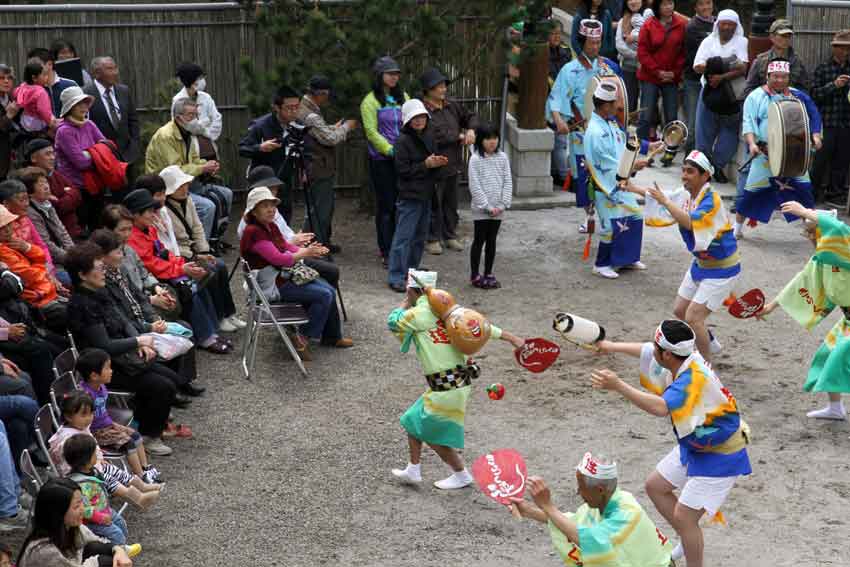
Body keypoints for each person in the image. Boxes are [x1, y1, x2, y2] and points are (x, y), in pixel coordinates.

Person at [592, 320, 752, 567]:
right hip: (699, 444)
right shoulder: (685, 355)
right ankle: (688, 538)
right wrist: (610, 346)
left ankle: (691, 550)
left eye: (658, 347)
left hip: (721, 455)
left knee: (685, 518)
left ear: (667, 354)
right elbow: (648, 350)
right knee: (655, 486)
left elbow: (660, 408)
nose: (653, 350)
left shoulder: (691, 379)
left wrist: (618, 385)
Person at [389, 270, 524, 489]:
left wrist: (404, 304)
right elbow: (484, 327)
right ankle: (413, 469)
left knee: (431, 435)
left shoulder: (419, 314)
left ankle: (461, 475)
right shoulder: (451, 312)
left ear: (413, 291)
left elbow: (393, 322)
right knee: (412, 420)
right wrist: (513, 339)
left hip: (446, 386)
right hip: (456, 382)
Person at [64, 242, 186, 456]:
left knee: (172, 378)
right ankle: (150, 435)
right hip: (103, 368)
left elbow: (122, 320)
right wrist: (138, 342)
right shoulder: (83, 304)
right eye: (99, 268)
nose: (104, 271)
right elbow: (104, 346)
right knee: (162, 386)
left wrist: (138, 339)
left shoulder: (100, 291)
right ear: (83, 275)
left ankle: (144, 418)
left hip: (123, 356)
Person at [626, 150, 737, 362]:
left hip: (722, 268)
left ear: (705, 176)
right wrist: (632, 188)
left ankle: (705, 367)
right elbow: (663, 196)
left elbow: (691, 222)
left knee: (693, 318)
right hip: (701, 263)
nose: (685, 175)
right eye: (683, 170)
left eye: (691, 172)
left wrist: (665, 202)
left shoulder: (711, 200)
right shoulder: (688, 193)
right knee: (680, 310)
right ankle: (710, 341)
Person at [757, 202, 850, 421]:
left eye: (812, 231)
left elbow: (839, 229)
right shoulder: (821, 259)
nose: (808, 237)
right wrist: (770, 306)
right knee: (827, 356)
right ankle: (835, 408)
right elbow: (801, 281)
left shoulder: (845, 248)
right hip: (848, 319)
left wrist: (806, 212)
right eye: (806, 232)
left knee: (839, 357)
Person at [239, 186, 352, 359]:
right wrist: (305, 253)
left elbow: (286, 247)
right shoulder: (253, 232)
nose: (271, 209)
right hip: (271, 287)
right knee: (324, 294)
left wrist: (309, 248)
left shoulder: (269, 226)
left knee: (328, 288)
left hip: (281, 278)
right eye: (264, 206)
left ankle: (330, 337)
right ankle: (302, 338)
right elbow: (279, 259)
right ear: (253, 211)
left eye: (272, 205)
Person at [510, 454, 673, 566]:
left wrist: (547, 505)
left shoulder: (627, 511)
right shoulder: (605, 503)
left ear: (600, 489)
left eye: (581, 487)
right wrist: (529, 511)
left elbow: (585, 538)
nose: (578, 492)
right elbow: (571, 522)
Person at [124, 187, 229, 353]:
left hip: (167, 270)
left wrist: (182, 264)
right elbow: (152, 265)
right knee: (188, 289)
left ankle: (212, 330)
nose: (153, 214)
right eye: (149, 211)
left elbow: (164, 253)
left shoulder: (149, 228)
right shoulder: (132, 237)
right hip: (154, 278)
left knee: (204, 278)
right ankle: (205, 337)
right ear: (135, 214)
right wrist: (181, 269)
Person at [547, 19, 621, 232]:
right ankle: (589, 216)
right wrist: (559, 120)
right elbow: (556, 96)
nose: (595, 47)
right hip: (581, 133)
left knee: (608, 172)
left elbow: (621, 98)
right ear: (581, 43)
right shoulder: (569, 70)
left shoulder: (609, 67)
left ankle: (609, 214)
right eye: (591, 43)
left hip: (606, 131)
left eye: (598, 43)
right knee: (584, 175)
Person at [736, 59, 823, 237]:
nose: (780, 80)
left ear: (789, 77)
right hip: (765, 155)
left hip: (795, 155)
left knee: (804, 191)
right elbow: (749, 123)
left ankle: (814, 231)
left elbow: (814, 113)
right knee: (751, 193)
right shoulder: (755, 97)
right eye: (775, 76)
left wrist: (815, 135)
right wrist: (752, 144)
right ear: (767, 76)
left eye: (784, 77)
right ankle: (736, 229)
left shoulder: (798, 96)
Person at [583, 83, 656, 279]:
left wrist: (648, 147)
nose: (617, 105)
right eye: (614, 102)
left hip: (620, 181)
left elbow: (626, 142)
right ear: (605, 105)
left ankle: (627, 259)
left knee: (635, 216)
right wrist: (632, 167)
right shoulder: (594, 132)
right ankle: (601, 264)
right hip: (604, 185)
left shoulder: (612, 122)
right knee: (610, 225)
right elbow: (604, 164)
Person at [158, 165, 242, 332]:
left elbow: (197, 227)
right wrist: (195, 256)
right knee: (212, 270)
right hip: (181, 254)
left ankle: (228, 313)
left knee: (220, 266)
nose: (185, 188)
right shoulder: (163, 210)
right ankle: (218, 317)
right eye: (180, 186)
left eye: (186, 184)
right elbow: (169, 243)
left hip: (194, 251)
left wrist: (204, 251)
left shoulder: (188, 200)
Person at [145, 97, 233, 249]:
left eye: (196, 115)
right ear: (179, 117)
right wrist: (202, 168)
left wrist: (208, 165)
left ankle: (214, 239)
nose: (196, 119)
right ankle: (198, 249)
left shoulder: (189, 134)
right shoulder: (166, 136)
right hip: (167, 186)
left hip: (186, 182)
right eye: (191, 115)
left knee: (227, 194)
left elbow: (194, 160)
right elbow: (174, 170)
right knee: (207, 207)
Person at [47, 392, 161, 506]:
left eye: (91, 413)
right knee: (110, 481)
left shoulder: (81, 427)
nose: (89, 418)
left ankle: (143, 487)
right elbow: (66, 466)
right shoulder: (66, 439)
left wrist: (99, 458)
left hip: (93, 464)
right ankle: (138, 498)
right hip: (82, 474)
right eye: (84, 414)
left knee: (118, 472)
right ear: (68, 416)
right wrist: (90, 469)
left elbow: (94, 444)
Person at [237, 166, 340, 289]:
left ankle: (323, 303)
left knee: (325, 263)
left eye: (274, 188)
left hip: (286, 261)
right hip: (275, 273)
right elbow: (276, 255)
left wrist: (303, 245)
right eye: (269, 188)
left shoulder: (270, 217)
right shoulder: (252, 227)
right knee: (328, 278)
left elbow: (284, 241)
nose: (274, 191)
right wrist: (303, 250)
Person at [387, 99, 447, 292]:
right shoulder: (402, 141)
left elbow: (431, 162)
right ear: (407, 120)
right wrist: (426, 165)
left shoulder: (430, 135)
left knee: (420, 236)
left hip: (426, 193)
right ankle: (396, 275)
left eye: (422, 116)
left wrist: (437, 164)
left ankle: (411, 271)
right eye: (415, 117)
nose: (419, 120)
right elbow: (402, 170)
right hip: (409, 196)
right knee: (403, 237)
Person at [77, 348, 163, 483]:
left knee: (135, 435)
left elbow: (103, 412)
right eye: (107, 368)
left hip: (107, 425)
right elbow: (82, 423)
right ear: (94, 375)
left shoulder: (101, 386)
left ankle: (146, 468)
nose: (111, 371)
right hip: (95, 432)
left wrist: (114, 424)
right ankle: (141, 476)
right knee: (128, 443)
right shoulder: (84, 396)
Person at [296, 75, 358, 252]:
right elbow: (329, 139)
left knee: (321, 206)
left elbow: (320, 132)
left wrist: (334, 126)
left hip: (311, 164)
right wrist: (347, 127)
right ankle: (314, 246)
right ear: (321, 94)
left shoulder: (304, 108)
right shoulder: (311, 115)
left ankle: (320, 242)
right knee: (320, 209)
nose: (328, 98)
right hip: (318, 166)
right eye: (327, 94)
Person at [16, 477, 136, 567]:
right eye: (76, 506)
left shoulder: (70, 527)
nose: (82, 510)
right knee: (106, 562)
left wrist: (118, 550)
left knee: (98, 548)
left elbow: (98, 541)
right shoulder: (44, 551)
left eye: (82, 503)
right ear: (58, 513)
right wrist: (98, 561)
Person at [420, 68, 476, 256]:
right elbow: (433, 134)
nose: (443, 89)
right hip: (434, 163)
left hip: (453, 162)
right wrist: (458, 136)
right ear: (428, 89)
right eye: (439, 86)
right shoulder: (423, 110)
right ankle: (432, 238)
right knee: (434, 201)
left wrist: (471, 130)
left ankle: (449, 234)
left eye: (444, 85)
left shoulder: (452, 104)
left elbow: (470, 116)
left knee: (451, 202)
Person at [360, 57, 408, 266]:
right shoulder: (370, 102)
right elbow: (371, 132)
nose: (394, 77)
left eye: (396, 73)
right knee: (387, 206)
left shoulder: (403, 97)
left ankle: (401, 246)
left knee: (403, 204)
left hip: (403, 158)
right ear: (380, 76)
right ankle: (386, 249)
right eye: (390, 73)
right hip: (382, 160)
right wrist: (390, 150)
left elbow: (412, 120)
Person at [693, 9, 748, 184]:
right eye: (723, 24)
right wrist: (713, 71)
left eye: (730, 24)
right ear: (718, 25)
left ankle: (716, 166)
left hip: (732, 94)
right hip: (709, 91)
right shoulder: (708, 41)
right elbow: (697, 65)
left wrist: (721, 75)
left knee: (730, 133)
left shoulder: (742, 41)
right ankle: (702, 169)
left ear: (736, 26)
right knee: (703, 132)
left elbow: (743, 67)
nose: (726, 27)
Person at [100, 203, 181, 321]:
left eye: (129, 229)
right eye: (122, 230)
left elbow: (144, 274)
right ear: (108, 229)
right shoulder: (106, 258)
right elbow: (122, 296)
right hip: (134, 307)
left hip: (145, 295)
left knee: (171, 296)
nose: (127, 234)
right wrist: (151, 300)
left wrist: (156, 287)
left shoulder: (129, 249)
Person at [239, 85, 302, 225]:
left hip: (286, 179)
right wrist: (260, 148)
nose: (294, 111)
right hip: (265, 179)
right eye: (289, 108)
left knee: (285, 218)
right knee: (264, 220)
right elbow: (242, 148)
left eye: (297, 107)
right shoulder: (260, 125)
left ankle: (283, 246)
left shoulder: (298, 126)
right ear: (277, 107)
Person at [0, 203, 67, 333]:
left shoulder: (13, 242)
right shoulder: (2, 251)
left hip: (47, 292)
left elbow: (41, 256)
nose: (8, 229)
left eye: (9, 224)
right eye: (2, 227)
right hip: (37, 301)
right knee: (72, 315)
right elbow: (29, 276)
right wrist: (45, 274)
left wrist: (27, 247)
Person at [636, 0, 687, 155]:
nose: (668, 7)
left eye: (671, 3)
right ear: (658, 7)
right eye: (664, 4)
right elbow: (642, 52)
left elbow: (684, 52)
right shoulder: (648, 25)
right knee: (646, 114)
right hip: (650, 76)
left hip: (671, 78)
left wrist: (675, 72)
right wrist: (657, 71)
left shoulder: (681, 25)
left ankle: (670, 150)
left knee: (671, 116)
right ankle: (642, 148)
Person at [53, 86, 107, 232]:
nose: (84, 107)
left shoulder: (89, 124)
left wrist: (89, 153)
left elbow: (107, 148)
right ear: (70, 107)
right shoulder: (64, 131)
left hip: (97, 183)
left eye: (85, 102)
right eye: (78, 104)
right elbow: (81, 162)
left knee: (98, 226)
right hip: (77, 188)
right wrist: (97, 154)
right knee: (81, 228)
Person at [64, 434, 131, 544]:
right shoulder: (81, 484)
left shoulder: (91, 471)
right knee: (115, 534)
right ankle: (118, 552)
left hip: (103, 508)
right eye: (95, 453)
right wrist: (99, 518)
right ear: (87, 459)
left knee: (120, 523)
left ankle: (123, 546)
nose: (98, 455)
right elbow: (83, 509)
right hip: (92, 520)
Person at [468, 122, 511, 289]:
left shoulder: (503, 158)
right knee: (479, 240)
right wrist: (486, 206)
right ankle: (474, 274)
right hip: (481, 209)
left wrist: (502, 204)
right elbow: (474, 185)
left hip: (498, 208)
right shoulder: (475, 159)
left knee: (492, 240)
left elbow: (508, 181)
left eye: (494, 138)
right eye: (487, 138)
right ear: (480, 140)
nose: (492, 142)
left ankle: (488, 272)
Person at [809, 30, 850, 204]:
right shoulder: (823, 68)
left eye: (847, 48)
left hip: (846, 123)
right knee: (819, 161)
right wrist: (834, 85)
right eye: (840, 48)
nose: (844, 51)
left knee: (842, 162)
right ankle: (812, 194)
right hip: (826, 122)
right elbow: (814, 95)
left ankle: (836, 195)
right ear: (834, 48)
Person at [83, 56, 141, 168]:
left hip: (127, 157)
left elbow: (133, 120)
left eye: (115, 68)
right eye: (109, 69)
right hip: (102, 159)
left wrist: (135, 145)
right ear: (97, 73)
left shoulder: (124, 91)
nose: (115, 73)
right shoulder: (86, 94)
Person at [25, 139, 83, 239]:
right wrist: (69, 194)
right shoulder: (29, 181)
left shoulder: (55, 174)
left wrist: (65, 197)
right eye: (47, 154)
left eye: (53, 154)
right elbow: (58, 207)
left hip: (73, 232)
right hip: (55, 237)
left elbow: (77, 194)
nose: (52, 158)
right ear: (33, 158)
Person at [19, 166, 74, 267]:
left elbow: (62, 231)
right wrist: (70, 259)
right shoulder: (30, 212)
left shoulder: (47, 203)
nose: (46, 187)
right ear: (30, 192)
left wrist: (73, 252)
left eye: (46, 182)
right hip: (49, 261)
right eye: (40, 184)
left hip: (63, 255)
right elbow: (46, 243)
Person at [745, 19, 810, 95]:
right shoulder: (760, 61)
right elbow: (749, 88)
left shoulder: (796, 61)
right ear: (772, 37)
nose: (786, 39)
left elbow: (805, 87)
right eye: (783, 36)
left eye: (789, 36)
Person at [682, 0, 714, 155]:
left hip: (712, 82)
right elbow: (697, 58)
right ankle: (689, 158)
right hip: (694, 81)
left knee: (707, 124)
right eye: (701, 4)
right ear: (695, 7)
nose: (706, 7)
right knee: (694, 123)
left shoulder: (717, 23)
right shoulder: (692, 27)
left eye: (708, 3)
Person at [171, 62, 222, 146]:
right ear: (191, 80)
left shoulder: (206, 97)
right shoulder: (177, 100)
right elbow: (181, 127)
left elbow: (217, 120)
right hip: (188, 147)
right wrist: (205, 122)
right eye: (200, 77)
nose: (203, 80)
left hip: (209, 146)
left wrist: (206, 133)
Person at [25, 47, 78, 117]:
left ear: (50, 64)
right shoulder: (28, 90)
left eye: (34, 65)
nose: (31, 70)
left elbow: (83, 115)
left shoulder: (70, 85)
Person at [615, 0, 645, 115]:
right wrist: (637, 55)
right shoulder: (623, 20)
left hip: (645, 66)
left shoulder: (648, 18)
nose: (633, 2)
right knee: (629, 99)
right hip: (628, 65)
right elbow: (619, 45)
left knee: (646, 98)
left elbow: (650, 38)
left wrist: (634, 37)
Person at [12, 60, 55, 136]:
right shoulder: (40, 92)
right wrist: (50, 123)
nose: (47, 77)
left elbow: (15, 94)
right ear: (34, 78)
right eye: (44, 75)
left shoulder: (22, 86)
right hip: (37, 122)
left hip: (25, 120)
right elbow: (43, 110)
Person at [0, 64, 18, 180]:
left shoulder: (13, 98)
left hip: (10, 154)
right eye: (1, 78)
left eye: (9, 78)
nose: (6, 81)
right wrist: (8, 115)